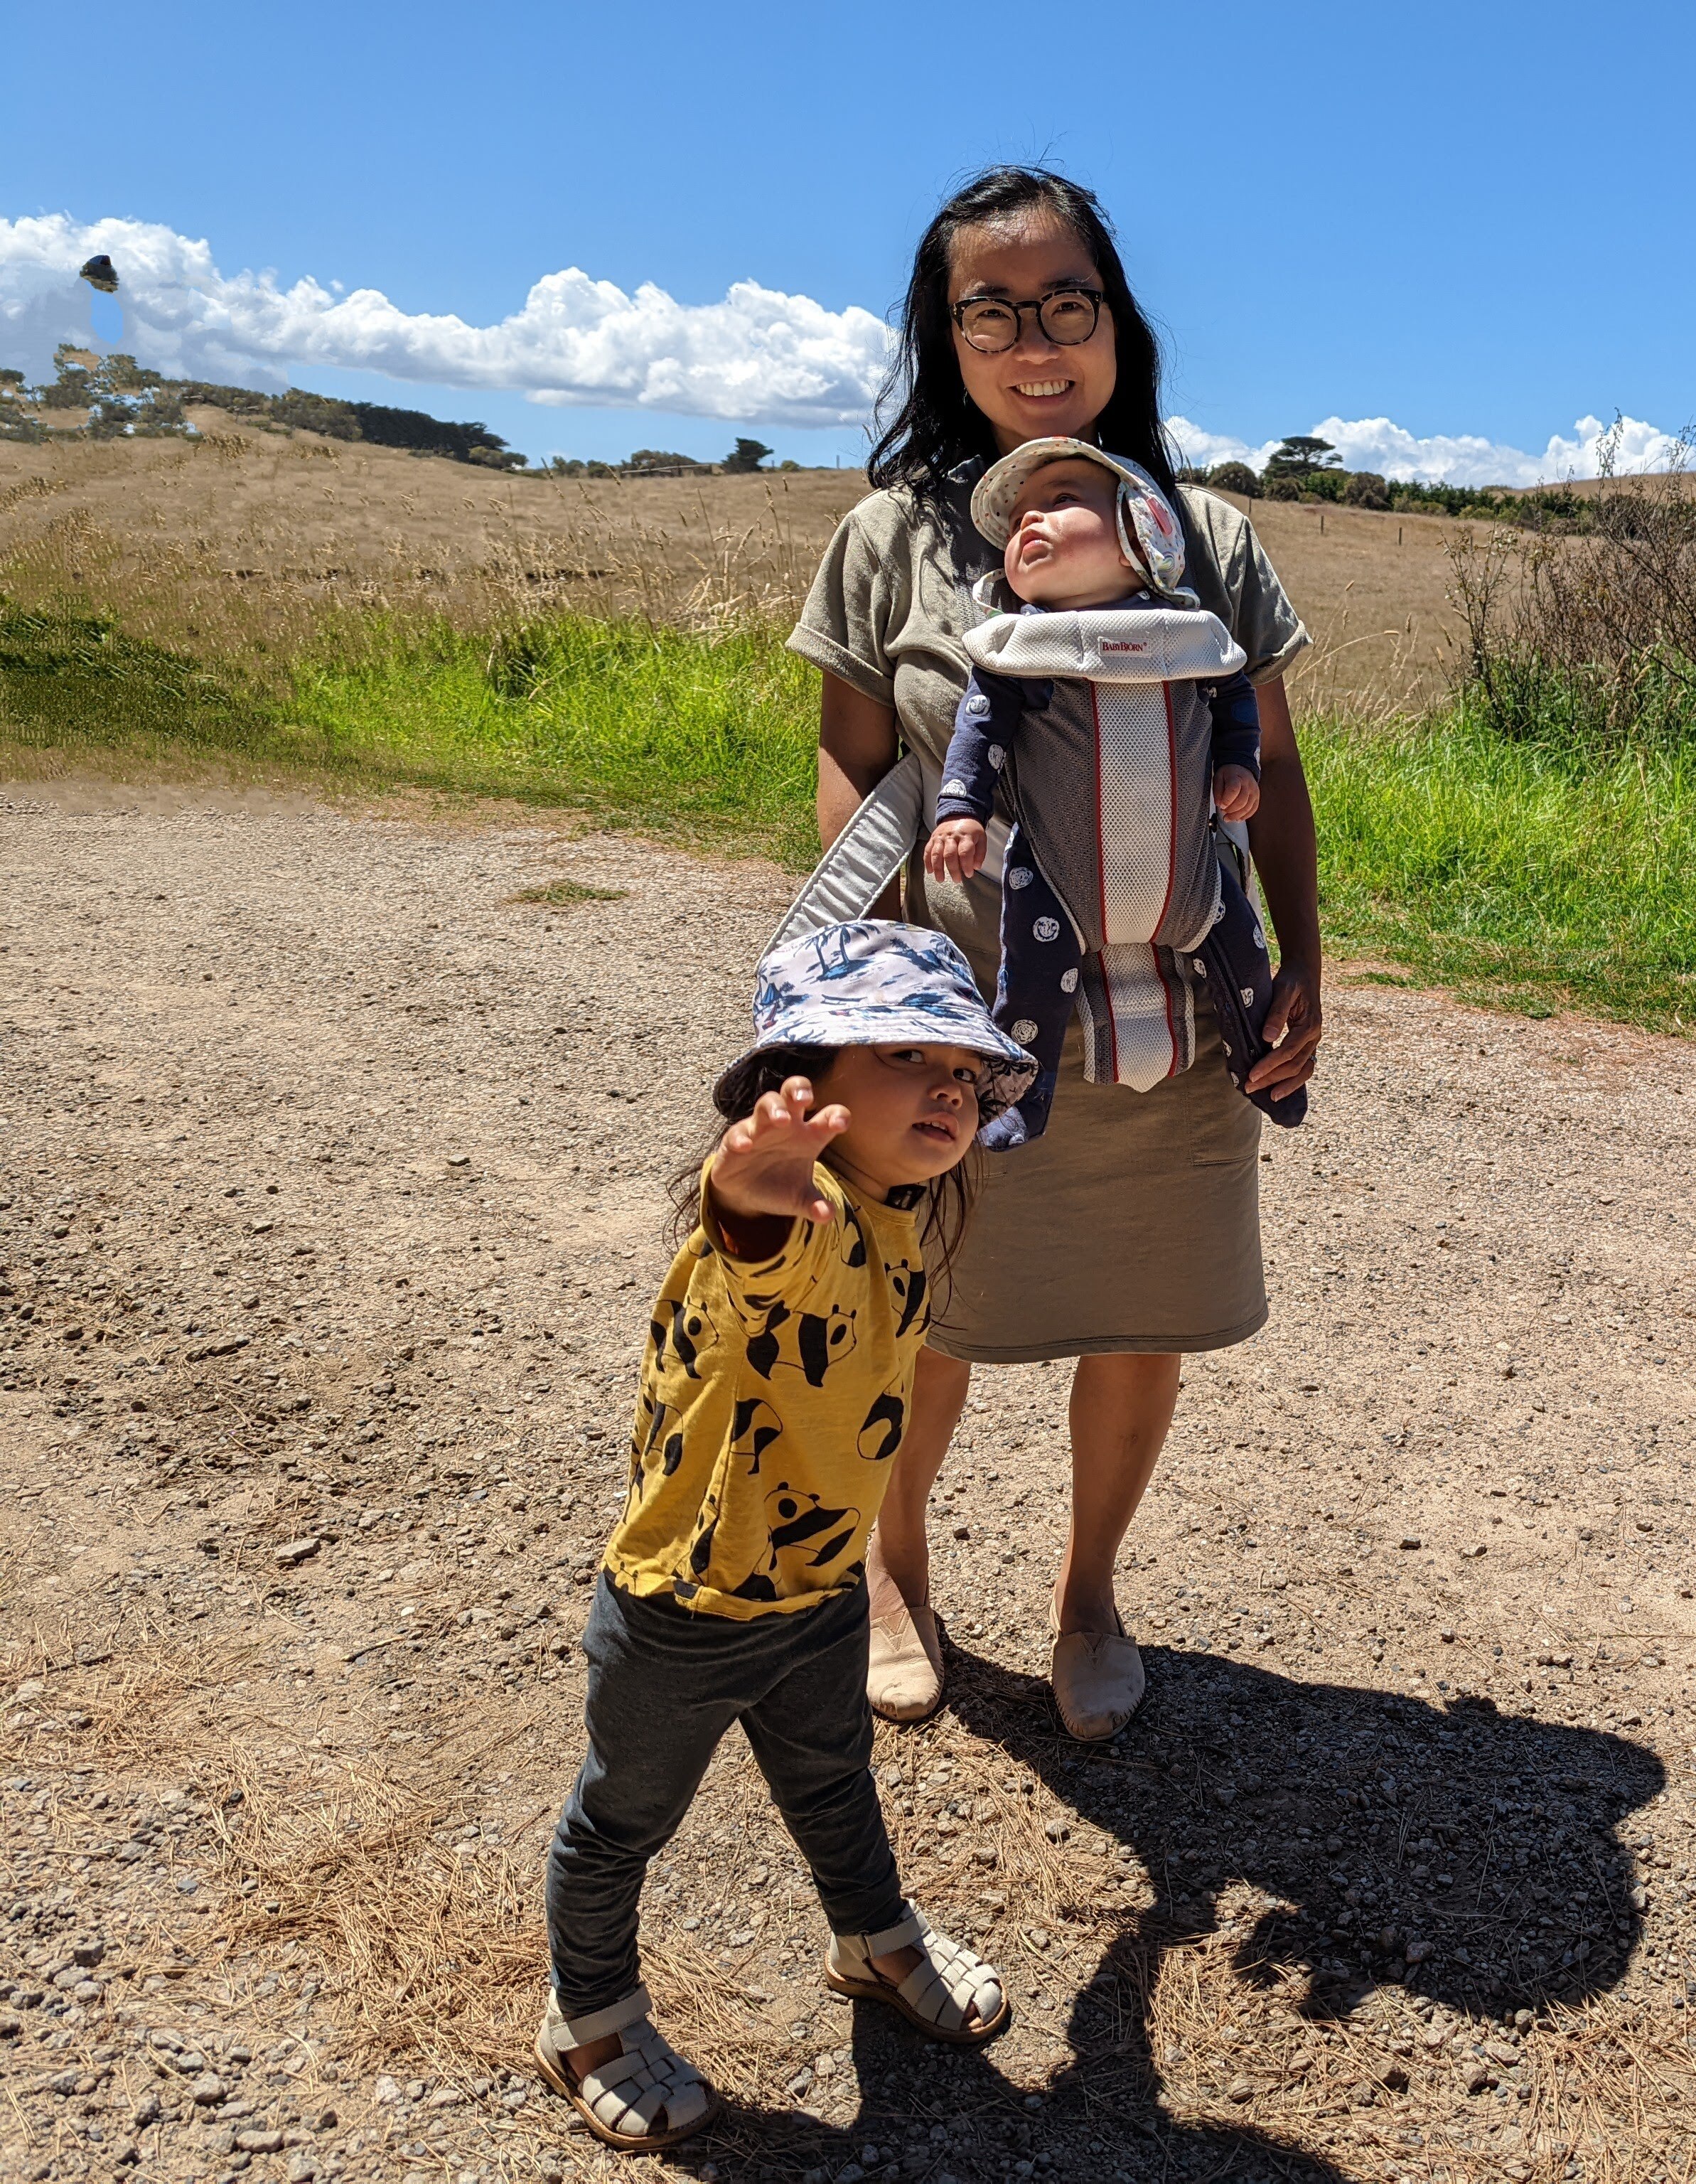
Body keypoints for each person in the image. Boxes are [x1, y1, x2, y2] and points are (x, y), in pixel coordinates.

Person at [789, 166, 1324, 1742]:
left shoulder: (1203, 532)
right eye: (992, 309)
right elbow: (854, 766)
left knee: (1141, 1311)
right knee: (929, 1316)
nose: (1036, 340)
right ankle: (895, 1576)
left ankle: (1091, 1591)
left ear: (1117, 321)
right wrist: (875, 999)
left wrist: (1308, 958)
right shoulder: (891, 539)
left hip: (1183, 1024)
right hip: (960, 1026)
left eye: (1066, 302)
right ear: (944, 335)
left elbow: (1273, 766)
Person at [534, 921, 1034, 2153]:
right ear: (802, 1087)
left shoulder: (899, 1208)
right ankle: (586, 2016)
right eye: (907, 1057)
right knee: (622, 1820)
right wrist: (745, 1190)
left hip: (816, 1591)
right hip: (685, 1607)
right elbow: (755, 1259)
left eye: (963, 1071)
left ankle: (870, 1939)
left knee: (833, 1778)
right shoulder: (787, 1218)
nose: (950, 1088)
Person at [923, 436, 1309, 1147]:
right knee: (1028, 994)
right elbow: (978, 737)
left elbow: (1237, 707)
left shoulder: (1196, 639)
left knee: (1245, 963)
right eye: (1016, 524)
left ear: (1144, 532)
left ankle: (1263, 1065)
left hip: (1192, 878)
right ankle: (1017, 1100)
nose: (1028, 520)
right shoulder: (1017, 650)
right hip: (1058, 888)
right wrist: (960, 812)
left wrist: (1239, 768)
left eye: (1061, 500)